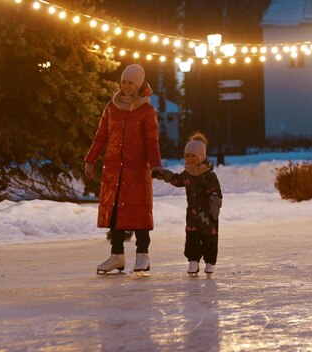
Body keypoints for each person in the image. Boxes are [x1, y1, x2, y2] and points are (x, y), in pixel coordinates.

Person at [84, 63, 162, 275]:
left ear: (139, 85)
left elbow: (152, 142)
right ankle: (117, 255)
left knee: (139, 212)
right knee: (116, 213)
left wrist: (156, 166)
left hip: (137, 170)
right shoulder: (112, 107)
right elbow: (101, 136)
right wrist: (90, 159)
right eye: (124, 82)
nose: (126, 86)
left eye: (131, 83)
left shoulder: (146, 110)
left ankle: (142, 255)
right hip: (114, 169)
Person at [154, 133, 222, 276]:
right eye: (187, 156)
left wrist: (215, 202)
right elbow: (177, 180)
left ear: (201, 156)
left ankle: (210, 262)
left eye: (193, 156)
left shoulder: (208, 175)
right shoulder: (188, 173)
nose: (190, 159)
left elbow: (216, 190)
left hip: (207, 214)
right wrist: (165, 174)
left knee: (209, 237)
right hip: (192, 214)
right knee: (192, 237)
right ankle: (193, 261)